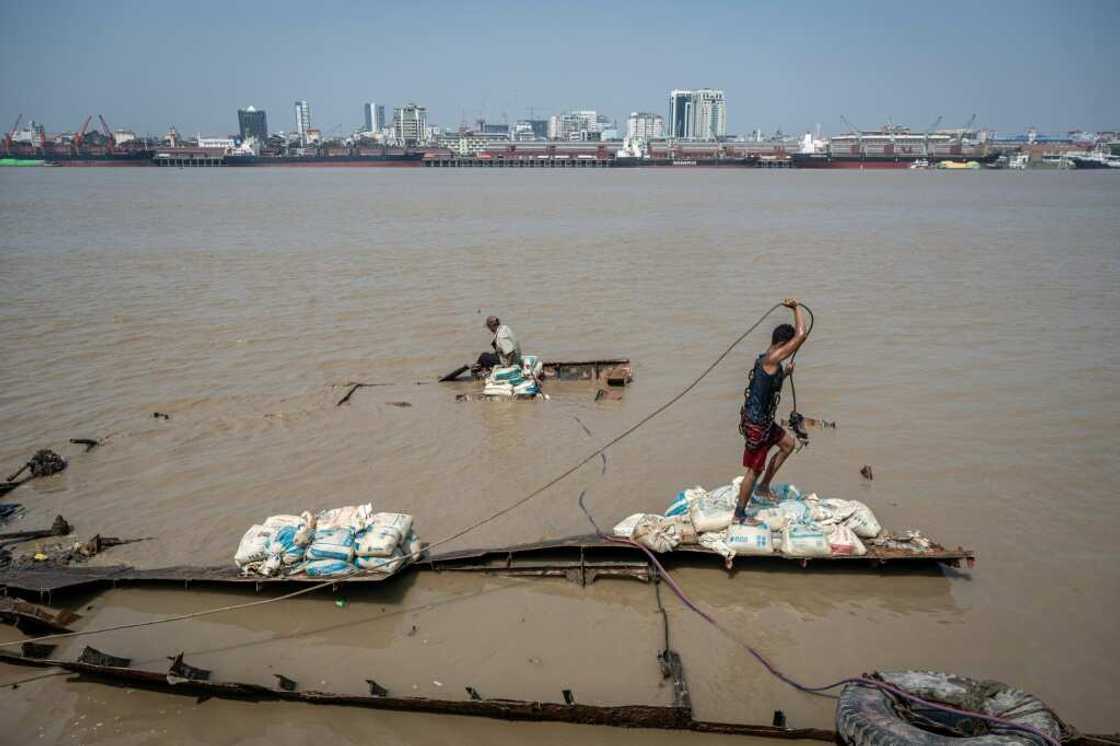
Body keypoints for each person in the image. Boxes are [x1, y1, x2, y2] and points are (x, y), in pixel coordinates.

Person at [734, 298, 808, 521]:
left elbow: (767, 384)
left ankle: (764, 487)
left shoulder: (769, 361)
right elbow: (801, 334)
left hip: (764, 421)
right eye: (788, 346)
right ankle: (739, 514)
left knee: (788, 444)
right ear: (782, 344)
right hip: (756, 423)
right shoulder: (772, 358)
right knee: (754, 470)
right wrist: (796, 308)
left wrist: (784, 375)